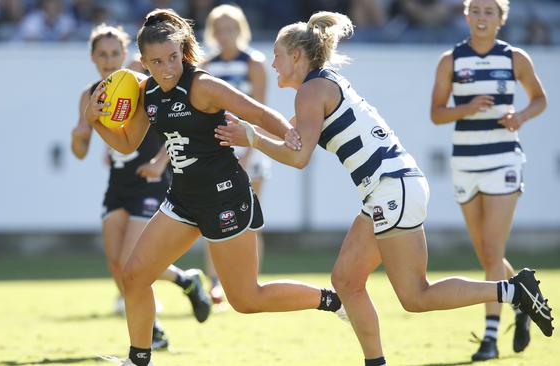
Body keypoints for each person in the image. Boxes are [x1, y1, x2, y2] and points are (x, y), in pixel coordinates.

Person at [214, 11, 554, 366]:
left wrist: (250, 137)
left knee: (415, 295)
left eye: (277, 55)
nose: (272, 63)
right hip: (390, 188)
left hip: (392, 188)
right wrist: (248, 129)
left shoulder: (312, 90)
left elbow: (298, 158)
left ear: (296, 56)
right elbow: (291, 135)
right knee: (346, 280)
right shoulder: (319, 85)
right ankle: (376, 362)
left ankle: (515, 291)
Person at [84, 9, 346, 366]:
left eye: (173, 58)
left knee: (246, 299)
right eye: (157, 61)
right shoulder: (147, 93)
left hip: (226, 196)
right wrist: (94, 120)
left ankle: (331, 300)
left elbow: (257, 112)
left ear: (182, 53)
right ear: (142, 63)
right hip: (182, 199)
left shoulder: (202, 85)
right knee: (134, 276)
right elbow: (128, 143)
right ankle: (139, 359)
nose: (167, 68)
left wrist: (292, 136)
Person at [70, 23, 211, 351]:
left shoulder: (142, 83)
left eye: (114, 53)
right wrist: (79, 133)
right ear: (92, 56)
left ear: (126, 54)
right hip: (117, 185)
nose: (108, 60)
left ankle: (151, 333)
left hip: (149, 182)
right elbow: (80, 151)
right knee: (117, 265)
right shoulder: (89, 94)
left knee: (134, 259)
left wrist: (161, 161)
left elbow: (174, 122)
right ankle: (183, 283)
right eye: (102, 54)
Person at [429, 0, 548, 361]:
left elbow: (539, 99)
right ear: (466, 16)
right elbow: (436, 114)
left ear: (501, 18)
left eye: (489, 11)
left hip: (503, 160)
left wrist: (521, 116)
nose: (481, 17)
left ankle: (490, 339)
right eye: (475, 10)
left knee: (493, 251)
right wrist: (465, 108)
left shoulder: (515, 58)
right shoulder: (451, 60)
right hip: (465, 162)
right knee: (485, 251)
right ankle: (522, 297)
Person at [201, 4, 272, 304]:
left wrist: (246, 151)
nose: (225, 34)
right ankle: (215, 282)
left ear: (240, 30)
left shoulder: (254, 62)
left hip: (251, 148)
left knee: (250, 217)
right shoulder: (206, 64)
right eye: (219, 28)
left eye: (231, 28)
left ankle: (248, 281)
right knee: (213, 218)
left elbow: (260, 113)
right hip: (217, 151)